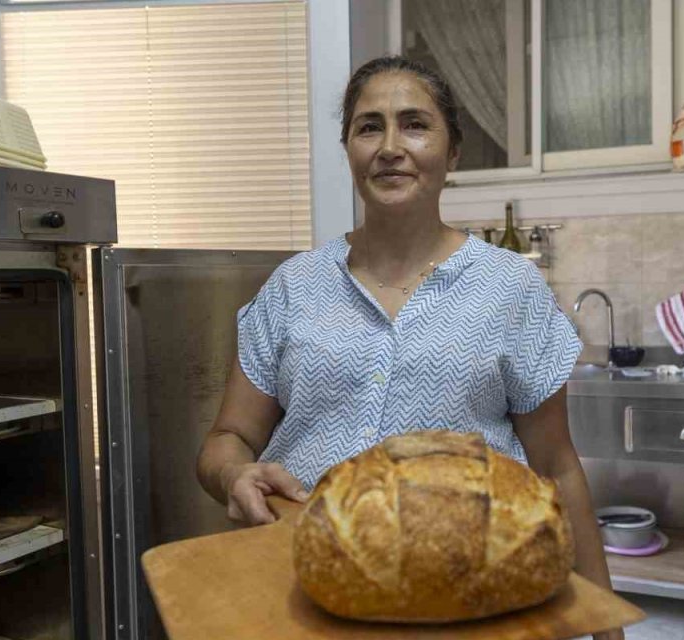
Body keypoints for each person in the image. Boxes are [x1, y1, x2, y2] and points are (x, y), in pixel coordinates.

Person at [198, 56, 622, 639]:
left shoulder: (510, 287)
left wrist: (605, 625)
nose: (390, 146)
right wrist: (233, 477)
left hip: (467, 594)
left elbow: (556, 468)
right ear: (348, 147)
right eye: (369, 126)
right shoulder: (294, 286)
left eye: (415, 124)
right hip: (305, 585)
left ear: (452, 153)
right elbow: (227, 439)